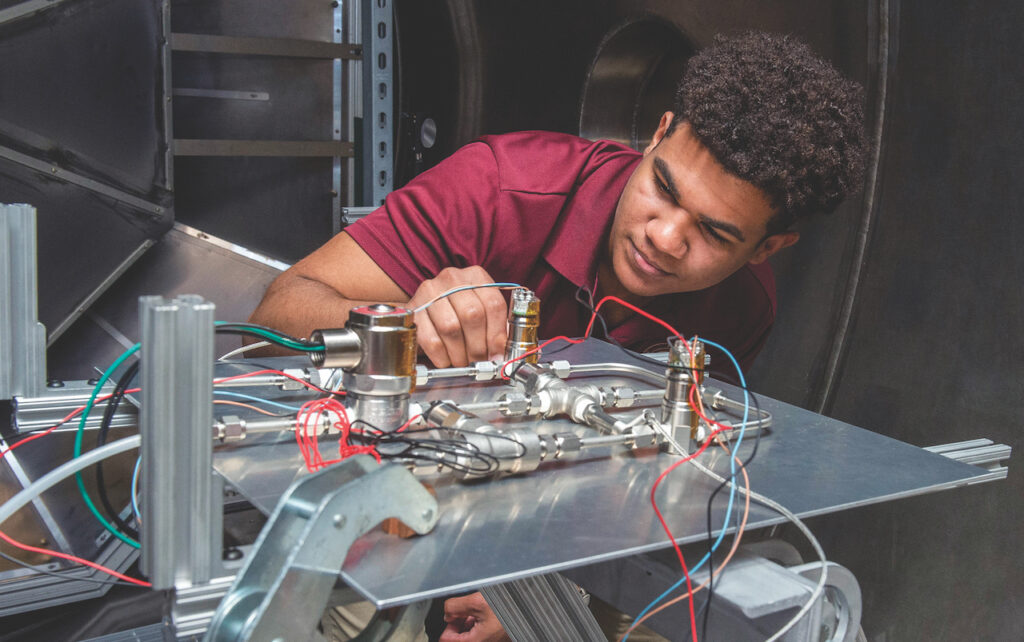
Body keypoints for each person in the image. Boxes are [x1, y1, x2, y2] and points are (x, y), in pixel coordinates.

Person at [253, 30, 867, 642]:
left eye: (714, 233)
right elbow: (280, 310)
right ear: (656, 134)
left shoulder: (742, 304)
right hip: (391, 503)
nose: (665, 236)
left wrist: (541, 586)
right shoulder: (497, 188)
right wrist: (400, 326)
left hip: (568, 540)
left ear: (769, 247)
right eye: (664, 188)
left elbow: (667, 481)